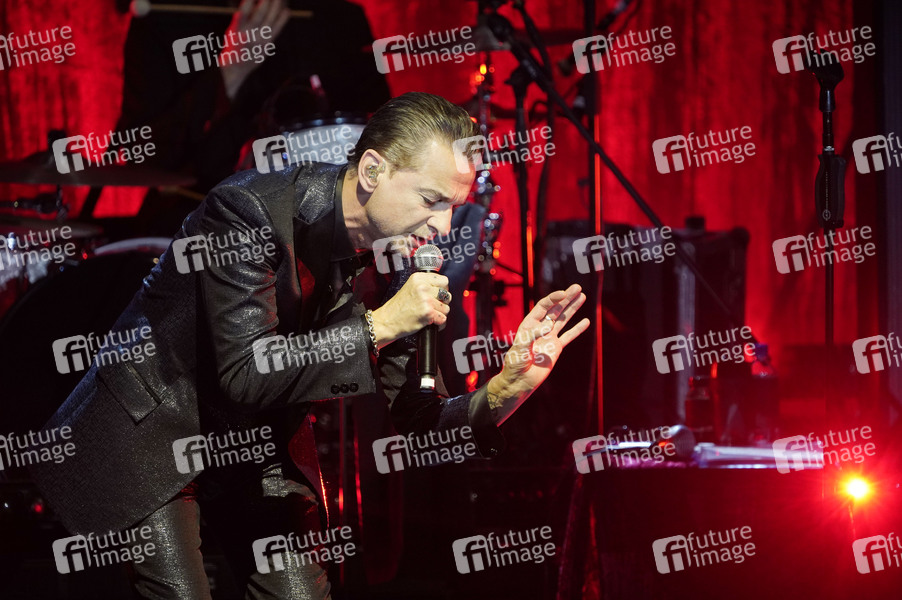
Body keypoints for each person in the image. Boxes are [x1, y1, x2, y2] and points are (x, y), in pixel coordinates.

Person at [30, 92, 589, 599]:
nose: (443, 226)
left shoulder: (402, 256)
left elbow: (418, 418)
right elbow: (245, 371)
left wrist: (506, 388)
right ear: (372, 170)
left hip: (256, 441)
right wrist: (379, 325)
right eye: (431, 199)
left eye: (453, 205)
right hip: (153, 432)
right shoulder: (245, 211)